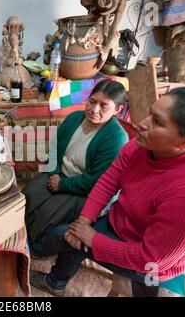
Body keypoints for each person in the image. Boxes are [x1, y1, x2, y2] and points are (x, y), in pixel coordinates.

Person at [29, 87, 185, 296]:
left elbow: (150, 258)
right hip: (122, 223)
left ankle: (39, 264)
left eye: (158, 122)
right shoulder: (142, 146)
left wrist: (93, 239)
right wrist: (85, 220)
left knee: (65, 235)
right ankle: (56, 275)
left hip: (151, 265)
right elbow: (108, 181)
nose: (142, 124)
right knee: (74, 232)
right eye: (151, 113)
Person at [22, 80, 129, 243]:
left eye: (103, 106)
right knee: (27, 195)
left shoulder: (116, 137)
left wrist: (62, 185)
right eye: (92, 101)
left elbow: (97, 181)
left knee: (46, 215)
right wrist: (55, 174)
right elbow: (54, 148)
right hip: (58, 176)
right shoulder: (74, 118)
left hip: (85, 191)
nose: (94, 109)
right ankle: (16, 232)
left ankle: (30, 246)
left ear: (117, 110)